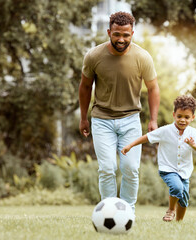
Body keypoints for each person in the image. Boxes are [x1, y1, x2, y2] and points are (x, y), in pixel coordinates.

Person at [79, 12, 160, 211]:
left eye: (125, 35)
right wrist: (83, 118)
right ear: (109, 32)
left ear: (132, 33)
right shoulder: (94, 56)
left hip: (131, 119)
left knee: (131, 169)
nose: (121, 39)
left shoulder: (142, 57)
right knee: (107, 169)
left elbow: (153, 88)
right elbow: (85, 87)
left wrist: (153, 120)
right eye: (116, 34)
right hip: (101, 119)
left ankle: (127, 211)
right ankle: (108, 209)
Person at [121, 95, 196, 221]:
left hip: (185, 171)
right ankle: (171, 210)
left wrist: (192, 144)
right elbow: (147, 137)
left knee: (184, 198)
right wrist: (130, 145)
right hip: (168, 168)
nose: (182, 120)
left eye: (187, 117)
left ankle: (178, 222)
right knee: (177, 188)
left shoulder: (193, 133)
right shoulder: (165, 130)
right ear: (174, 114)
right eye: (179, 116)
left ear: (193, 118)